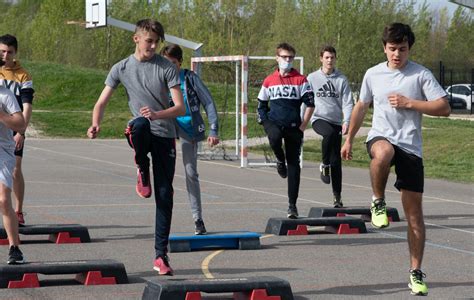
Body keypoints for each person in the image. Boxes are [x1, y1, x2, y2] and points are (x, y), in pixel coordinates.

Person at [341, 23, 450, 296]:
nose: (397, 54)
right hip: (380, 137)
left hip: (411, 147)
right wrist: (349, 138)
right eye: (392, 49)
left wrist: (410, 103)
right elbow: (361, 105)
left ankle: (415, 272)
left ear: (409, 48)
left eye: (402, 49)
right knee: (383, 152)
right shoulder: (373, 74)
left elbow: (444, 107)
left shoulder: (420, 74)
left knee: (414, 217)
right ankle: (378, 202)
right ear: (384, 48)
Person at [87, 19, 185, 276]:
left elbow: (180, 107)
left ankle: (160, 256)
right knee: (138, 124)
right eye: (149, 41)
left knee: (165, 195)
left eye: (156, 42)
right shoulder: (120, 68)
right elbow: (100, 103)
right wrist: (95, 124)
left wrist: (158, 113)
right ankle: (142, 165)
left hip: (164, 133)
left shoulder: (166, 67)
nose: (152, 46)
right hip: (142, 130)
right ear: (136, 39)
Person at [160, 44, 219, 235]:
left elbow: (208, 102)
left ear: (180, 63)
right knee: (162, 173)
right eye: (166, 63)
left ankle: (197, 218)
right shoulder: (159, 79)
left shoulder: (190, 79)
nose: (169, 67)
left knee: (190, 172)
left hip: (188, 129)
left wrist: (213, 129)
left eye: (173, 63)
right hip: (167, 127)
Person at [257, 42, 315, 219]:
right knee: (274, 138)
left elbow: (311, 103)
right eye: (284, 57)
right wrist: (264, 120)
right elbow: (261, 104)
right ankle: (278, 160)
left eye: (290, 57)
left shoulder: (301, 79)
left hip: (293, 127)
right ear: (277, 58)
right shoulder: (269, 80)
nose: (287, 60)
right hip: (273, 122)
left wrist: (303, 124)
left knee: (294, 167)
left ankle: (292, 205)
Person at [307, 45, 353, 208]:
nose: (329, 60)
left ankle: (337, 198)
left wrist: (347, 120)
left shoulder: (341, 79)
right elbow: (305, 100)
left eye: (332, 57)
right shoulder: (312, 78)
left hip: (336, 122)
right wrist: (301, 121)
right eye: (326, 57)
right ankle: (324, 164)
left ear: (335, 59)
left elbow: (348, 102)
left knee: (337, 162)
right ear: (321, 59)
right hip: (318, 118)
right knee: (327, 135)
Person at [0, 34, 35, 226]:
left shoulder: (23, 75)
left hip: (14, 125)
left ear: (15, 53)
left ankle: (18, 210)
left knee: (15, 169)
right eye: (2, 51)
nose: (5, 55)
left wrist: (21, 132)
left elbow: (27, 105)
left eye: (9, 52)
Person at [0, 59, 26, 264]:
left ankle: (14, 247)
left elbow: (20, 123)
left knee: (3, 199)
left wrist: (1, 114)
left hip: (2, 151)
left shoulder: (4, 94)